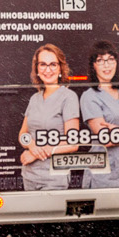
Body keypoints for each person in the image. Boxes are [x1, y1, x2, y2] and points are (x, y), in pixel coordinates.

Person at [79, 41, 119, 189]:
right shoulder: (89, 97)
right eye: (100, 61)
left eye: (110, 59)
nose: (106, 65)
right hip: (100, 178)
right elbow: (106, 139)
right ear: (93, 66)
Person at [16, 43, 79, 191]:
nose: (48, 70)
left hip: (54, 179)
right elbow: (22, 134)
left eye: (53, 64)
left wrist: (37, 154)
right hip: (29, 176)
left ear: (60, 69)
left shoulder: (68, 97)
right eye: (43, 64)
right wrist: (31, 146)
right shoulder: (34, 98)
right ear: (37, 69)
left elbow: (73, 143)